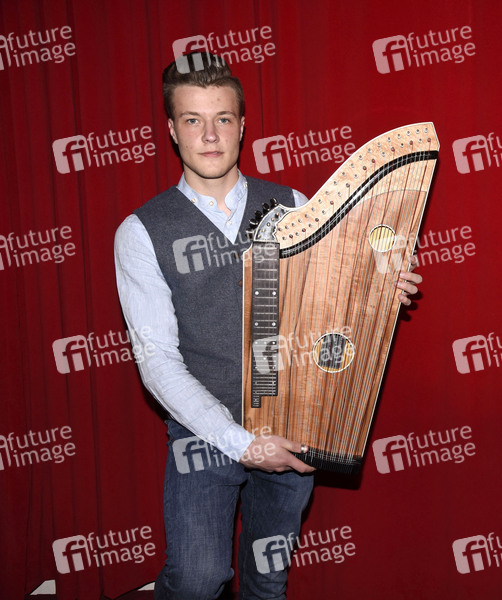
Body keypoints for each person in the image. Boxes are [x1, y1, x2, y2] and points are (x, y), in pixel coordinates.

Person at [114, 52, 422, 599]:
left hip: (293, 420)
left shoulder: (295, 206)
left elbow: (328, 316)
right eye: (193, 120)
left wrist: (378, 297)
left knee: (267, 581)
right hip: (202, 431)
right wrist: (241, 443)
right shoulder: (142, 231)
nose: (210, 135)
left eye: (223, 118)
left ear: (242, 125)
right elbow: (157, 361)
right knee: (197, 580)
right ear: (172, 130)